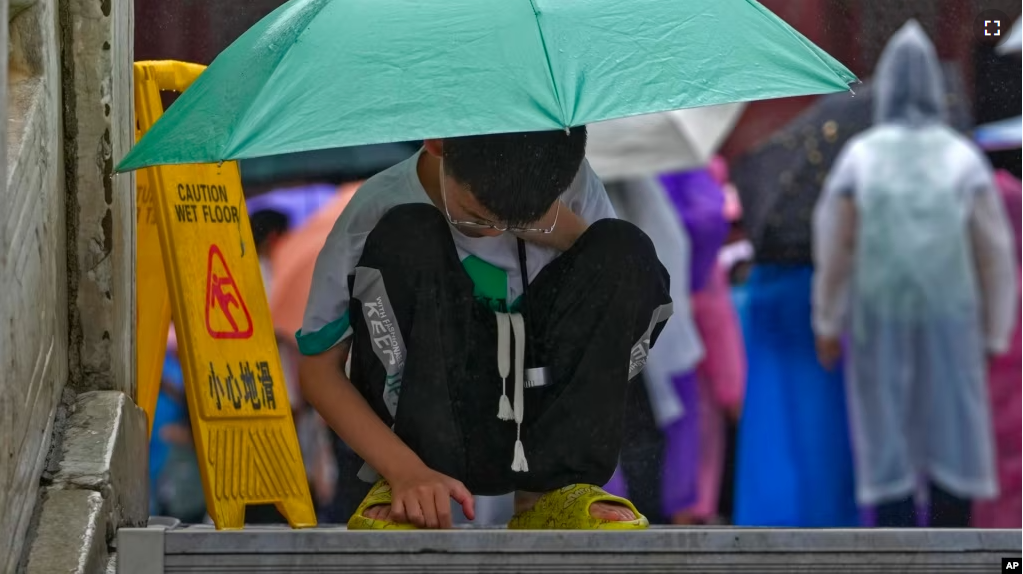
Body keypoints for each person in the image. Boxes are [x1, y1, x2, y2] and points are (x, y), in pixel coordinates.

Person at [297, 129, 672, 529]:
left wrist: (552, 224)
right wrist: (404, 470)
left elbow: (620, 292)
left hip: (538, 425)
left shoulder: (561, 178)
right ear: (437, 142)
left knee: (625, 249)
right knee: (408, 230)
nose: (496, 231)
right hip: (422, 439)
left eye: (515, 220)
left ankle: (554, 492)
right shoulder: (376, 206)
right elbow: (318, 371)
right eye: (475, 217)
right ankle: (399, 483)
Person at [812, 21, 1016, 528]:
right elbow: (994, 254)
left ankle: (895, 547)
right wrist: (996, 329)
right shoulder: (961, 157)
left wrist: (827, 321)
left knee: (887, 430)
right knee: (953, 426)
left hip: (879, 312)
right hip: (951, 315)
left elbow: (835, 244)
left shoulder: (861, 157)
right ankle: (955, 547)